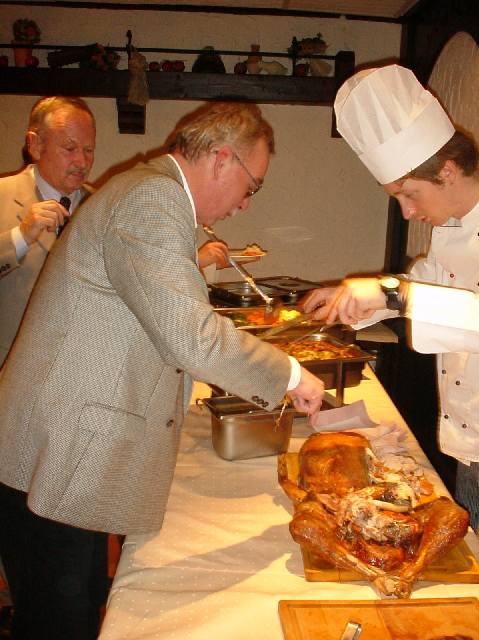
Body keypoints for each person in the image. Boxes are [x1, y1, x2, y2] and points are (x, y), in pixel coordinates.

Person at [0, 101, 324, 640]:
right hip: (54, 448)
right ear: (221, 159)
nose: (246, 203)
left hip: (67, 443)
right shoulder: (153, 198)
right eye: (252, 186)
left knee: (81, 604)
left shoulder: (149, 191)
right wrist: (290, 375)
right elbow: (189, 334)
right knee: (58, 620)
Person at [302, 64, 479, 533]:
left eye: (409, 194)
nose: (407, 211)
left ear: (447, 170)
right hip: (470, 445)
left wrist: (395, 294)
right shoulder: (453, 223)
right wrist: (364, 297)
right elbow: (429, 284)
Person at [0, 96, 96, 366]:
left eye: (89, 150)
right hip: (8, 371)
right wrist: (20, 237)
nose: (82, 161)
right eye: (70, 148)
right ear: (35, 145)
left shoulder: (103, 207)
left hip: (79, 372)